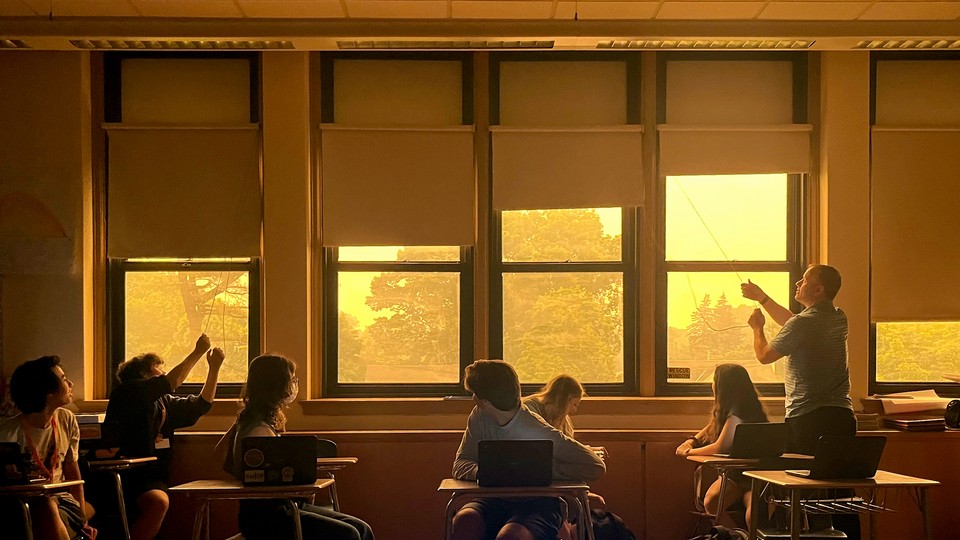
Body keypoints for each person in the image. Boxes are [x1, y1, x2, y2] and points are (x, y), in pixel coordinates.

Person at [742, 264, 858, 537]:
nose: (797, 283)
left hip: (808, 420)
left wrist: (758, 328)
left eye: (804, 280)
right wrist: (763, 298)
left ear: (818, 289)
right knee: (842, 492)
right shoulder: (838, 317)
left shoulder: (803, 324)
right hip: (842, 418)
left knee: (801, 490)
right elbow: (794, 320)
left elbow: (765, 355)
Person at [215, 354, 374, 540]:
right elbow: (257, 477)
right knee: (349, 534)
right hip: (268, 516)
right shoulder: (256, 429)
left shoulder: (256, 421)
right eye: (291, 379)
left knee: (362, 529)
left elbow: (220, 454)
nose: (294, 384)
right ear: (276, 385)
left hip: (287, 506)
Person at [452, 360, 606, 540]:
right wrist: (487, 471)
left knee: (511, 536)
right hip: (493, 497)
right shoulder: (479, 417)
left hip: (539, 502)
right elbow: (460, 464)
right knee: (464, 521)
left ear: (483, 400)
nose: (473, 399)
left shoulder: (536, 429)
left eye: (474, 395)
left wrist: (540, 471)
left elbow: (595, 466)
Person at [102, 334, 224, 540]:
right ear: (143, 372)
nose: (163, 371)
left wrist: (214, 368)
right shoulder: (129, 392)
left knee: (159, 501)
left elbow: (200, 405)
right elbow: (172, 381)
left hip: (152, 476)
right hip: (125, 475)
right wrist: (198, 352)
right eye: (158, 367)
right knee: (158, 502)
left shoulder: (163, 402)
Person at [0, 356, 96, 540]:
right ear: (47, 392)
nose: (70, 383)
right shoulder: (6, 433)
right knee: (43, 506)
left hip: (62, 501)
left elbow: (73, 473)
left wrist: (84, 520)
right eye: (63, 379)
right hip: (18, 503)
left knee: (47, 504)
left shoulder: (66, 419)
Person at [675, 363, 767, 528]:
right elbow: (709, 429)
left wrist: (690, 452)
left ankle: (737, 536)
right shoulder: (730, 408)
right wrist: (691, 441)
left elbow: (720, 447)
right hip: (739, 476)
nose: (712, 384)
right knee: (712, 502)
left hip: (752, 476)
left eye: (714, 380)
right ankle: (737, 535)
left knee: (751, 515)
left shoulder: (739, 411)